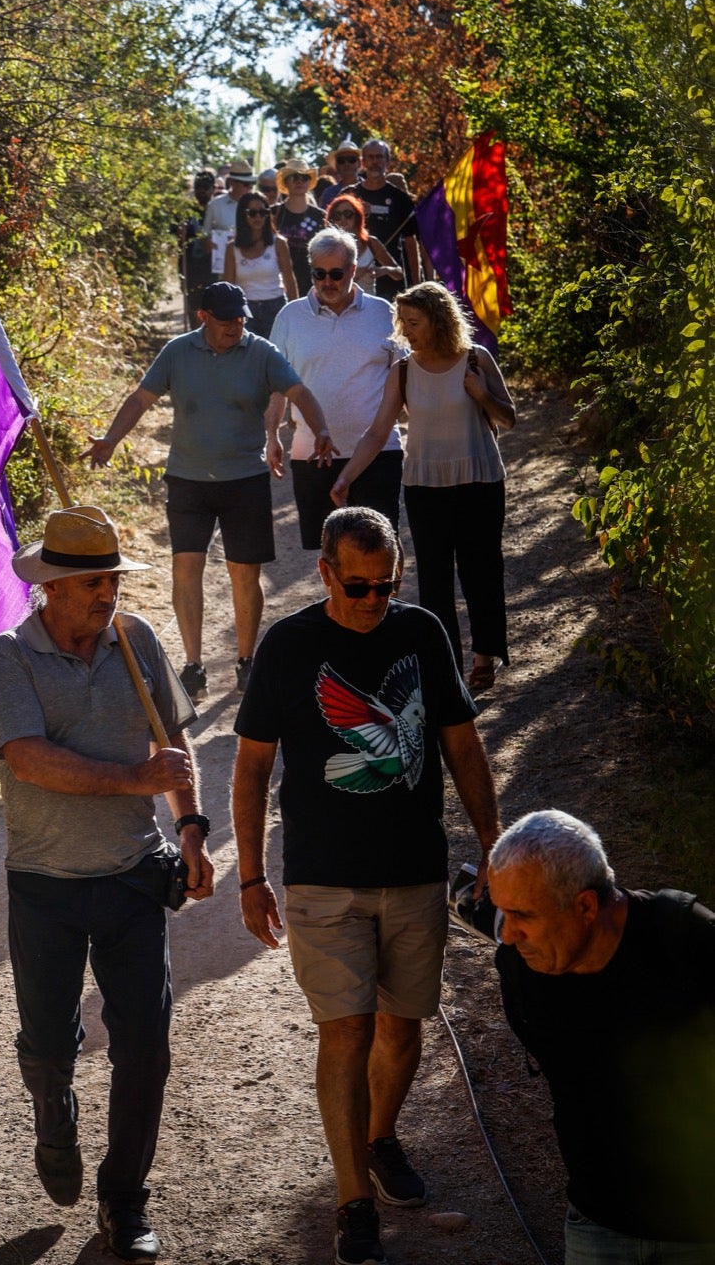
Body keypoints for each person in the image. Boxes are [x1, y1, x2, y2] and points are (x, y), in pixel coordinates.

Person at [233, 507, 500, 1265]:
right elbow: (251, 769)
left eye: (386, 586)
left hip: (414, 873)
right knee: (346, 1030)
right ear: (324, 572)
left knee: (401, 1028)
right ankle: (353, 1202)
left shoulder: (421, 633)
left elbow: (461, 745)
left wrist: (495, 845)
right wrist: (251, 876)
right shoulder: (288, 647)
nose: (373, 600)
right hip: (323, 880)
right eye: (358, 586)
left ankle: (380, 1136)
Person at [0, 505, 215, 1263]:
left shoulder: (136, 639)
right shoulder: (8, 657)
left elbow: (173, 745)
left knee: (146, 1045)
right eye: (91, 583)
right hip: (43, 884)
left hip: (130, 879)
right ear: (50, 588)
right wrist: (132, 780)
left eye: (112, 579)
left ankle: (124, 1201)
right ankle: (53, 1108)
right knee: (49, 1043)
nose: (106, 595)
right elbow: (27, 759)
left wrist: (190, 828)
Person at [83, 281, 335, 700]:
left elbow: (299, 392)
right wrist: (111, 439)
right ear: (203, 318)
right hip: (188, 479)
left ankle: (246, 661)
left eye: (240, 318)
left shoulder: (260, 352)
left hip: (244, 480)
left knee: (244, 573)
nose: (235, 325)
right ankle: (193, 665)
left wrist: (322, 427)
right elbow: (141, 398)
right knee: (186, 568)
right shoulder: (178, 352)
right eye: (225, 319)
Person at [488, 810, 715, 1264]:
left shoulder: (687, 940)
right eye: (501, 913)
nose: (508, 934)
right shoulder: (521, 970)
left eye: (522, 915)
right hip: (597, 1227)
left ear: (586, 906)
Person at [331, 282, 516, 693]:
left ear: (438, 319)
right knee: (433, 577)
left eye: (414, 322)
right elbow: (379, 431)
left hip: (480, 480)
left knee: (482, 569)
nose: (406, 330)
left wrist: (482, 394)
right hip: (426, 484)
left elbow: (509, 418)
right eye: (403, 322)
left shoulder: (475, 359)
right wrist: (346, 477)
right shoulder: (403, 371)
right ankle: (444, 662)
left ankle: (485, 655)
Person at [267, 228, 403, 550]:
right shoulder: (290, 317)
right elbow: (275, 386)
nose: (327, 282)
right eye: (319, 274)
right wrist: (271, 434)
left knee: (382, 553)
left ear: (353, 270)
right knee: (331, 558)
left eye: (336, 274)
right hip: (312, 456)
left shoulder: (384, 313)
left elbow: (407, 377)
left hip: (379, 455)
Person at [224, 189, 298, 337]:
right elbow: (228, 286)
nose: (258, 217)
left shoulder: (279, 243)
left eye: (263, 212)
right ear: (242, 215)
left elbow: (289, 280)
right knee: (249, 356)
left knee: (275, 355)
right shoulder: (233, 248)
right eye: (252, 213)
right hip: (245, 310)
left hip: (275, 307)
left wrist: (296, 313)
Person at [354, 141, 421, 299]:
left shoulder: (401, 199)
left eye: (379, 157)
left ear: (388, 162)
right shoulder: (350, 195)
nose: (375, 162)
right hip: (356, 280)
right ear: (363, 162)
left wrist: (417, 283)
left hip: (392, 279)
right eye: (370, 157)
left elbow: (411, 242)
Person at [325, 194, 402, 298]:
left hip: (367, 306)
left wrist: (386, 270)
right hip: (337, 304)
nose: (342, 218)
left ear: (357, 216)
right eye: (337, 215)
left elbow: (399, 273)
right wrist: (352, 274)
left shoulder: (371, 243)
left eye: (347, 214)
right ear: (332, 220)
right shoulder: (327, 245)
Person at [273, 158, 327, 294]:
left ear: (309, 182)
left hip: (312, 284)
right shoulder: (273, 213)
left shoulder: (321, 216)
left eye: (304, 177)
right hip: (278, 283)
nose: (299, 181)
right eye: (293, 177)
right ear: (285, 182)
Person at [202, 158, 256, 279]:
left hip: (252, 268)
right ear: (233, 183)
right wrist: (207, 242)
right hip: (223, 268)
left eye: (251, 184)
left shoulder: (257, 206)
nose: (249, 188)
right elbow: (205, 234)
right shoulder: (215, 205)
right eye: (246, 184)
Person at [177, 169, 215, 329]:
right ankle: (196, 335)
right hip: (190, 264)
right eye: (199, 188)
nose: (202, 192)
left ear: (212, 189)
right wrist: (180, 231)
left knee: (212, 304)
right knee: (193, 303)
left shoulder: (216, 210)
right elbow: (174, 232)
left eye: (205, 188)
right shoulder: (185, 211)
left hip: (212, 266)